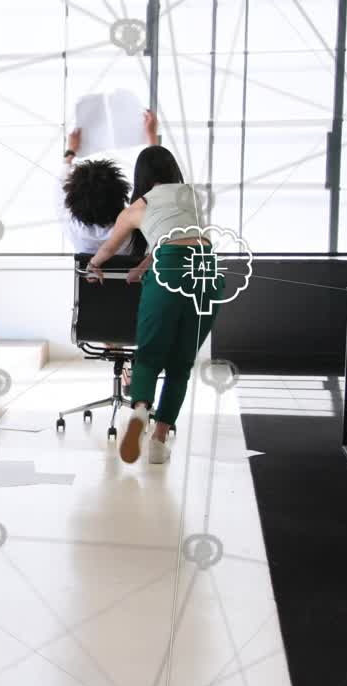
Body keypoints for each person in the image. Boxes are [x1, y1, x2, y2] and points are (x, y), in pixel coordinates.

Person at [85, 145, 220, 465]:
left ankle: (140, 411)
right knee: (181, 363)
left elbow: (109, 247)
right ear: (173, 171)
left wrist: (94, 266)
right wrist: (145, 266)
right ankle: (159, 441)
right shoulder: (193, 196)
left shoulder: (136, 208)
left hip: (168, 270)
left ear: (141, 176)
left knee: (148, 355)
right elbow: (177, 235)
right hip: (207, 271)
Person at [60, 111, 159, 254]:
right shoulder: (133, 226)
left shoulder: (70, 226)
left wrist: (71, 150)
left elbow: (62, 177)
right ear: (123, 195)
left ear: (70, 200)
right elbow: (154, 187)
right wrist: (151, 135)